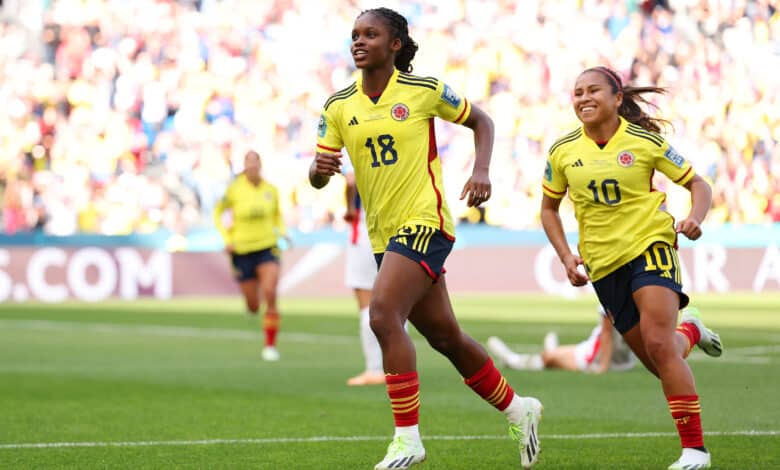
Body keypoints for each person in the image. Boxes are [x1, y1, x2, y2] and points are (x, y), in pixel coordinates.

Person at [309, 8, 543, 470]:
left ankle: (407, 440)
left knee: (381, 315)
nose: (358, 41)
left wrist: (481, 170)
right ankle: (521, 409)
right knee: (446, 337)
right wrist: (317, 172)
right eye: (355, 34)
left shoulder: (423, 91)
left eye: (370, 34)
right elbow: (320, 176)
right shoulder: (338, 106)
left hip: (425, 221)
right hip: (383, 235)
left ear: (394, 44)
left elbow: (483, 122)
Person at [540, 66, 723, 470]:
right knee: (661, 358)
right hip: (604, 267)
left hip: (650, 246)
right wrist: (566, 256)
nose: (583, 98)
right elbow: (548, 210)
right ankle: (690, 329)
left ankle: (695, 451)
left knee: (660, 344)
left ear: (617, 97)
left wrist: (695, 217)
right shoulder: (562, 151)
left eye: (593, 91)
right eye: (577, 92)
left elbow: (699, 185)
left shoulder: (644, 141)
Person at [214, 150, 287, 362]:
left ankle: (270, 346)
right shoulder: (234, 190)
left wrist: (282, 232)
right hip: (242, 250)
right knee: (253, 305)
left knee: (270, 292)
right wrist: (226, 237)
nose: (253, 166)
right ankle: (253, 305)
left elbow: (277, 215)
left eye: (256, 162)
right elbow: (218, 212)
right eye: (249, 162)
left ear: (260, 165)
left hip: (267, 247)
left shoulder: (270, 189)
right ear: (244, 166)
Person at [487, 305, 637, 373]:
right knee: (553, 356)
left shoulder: (613, 289)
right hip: (624, 360)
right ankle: (552, 350)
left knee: (549, 358)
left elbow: (606, 333)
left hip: (597, 357)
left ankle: (513, 360)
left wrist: (602, 368)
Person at [343, 169, 385, 386]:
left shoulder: (358, 140)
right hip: (395, 224)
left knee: (366, 303)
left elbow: (352, 182)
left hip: (366, 227)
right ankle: (397, 368)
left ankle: (375, 369)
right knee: (395, 302)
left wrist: (350, 206)